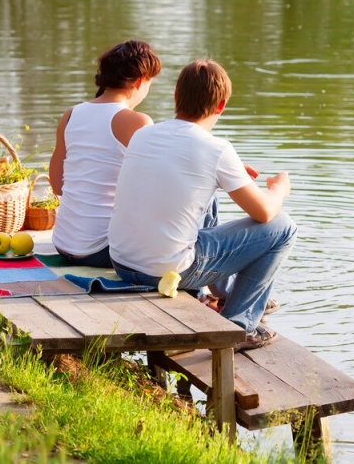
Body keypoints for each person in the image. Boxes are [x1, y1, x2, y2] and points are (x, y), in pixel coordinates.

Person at [109, 59, 297, 350]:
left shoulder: (143, 135)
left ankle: (221, 293)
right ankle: (239, 327)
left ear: (176, 97)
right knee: (284, 228)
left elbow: (171, 175)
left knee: (208, 192)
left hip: (122, 263)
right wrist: (279, 188)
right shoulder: (217, 149)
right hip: (165, 271)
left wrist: (226, 174)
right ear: (221, 106)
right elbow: (266, 212)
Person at [49, 40, 161, 267]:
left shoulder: (71, 115)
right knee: (203, 196)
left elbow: (58, 185)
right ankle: (199, 291)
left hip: (64, 244)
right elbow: (157, 191)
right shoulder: (138, 122)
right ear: (140, 82)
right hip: (104, 250)